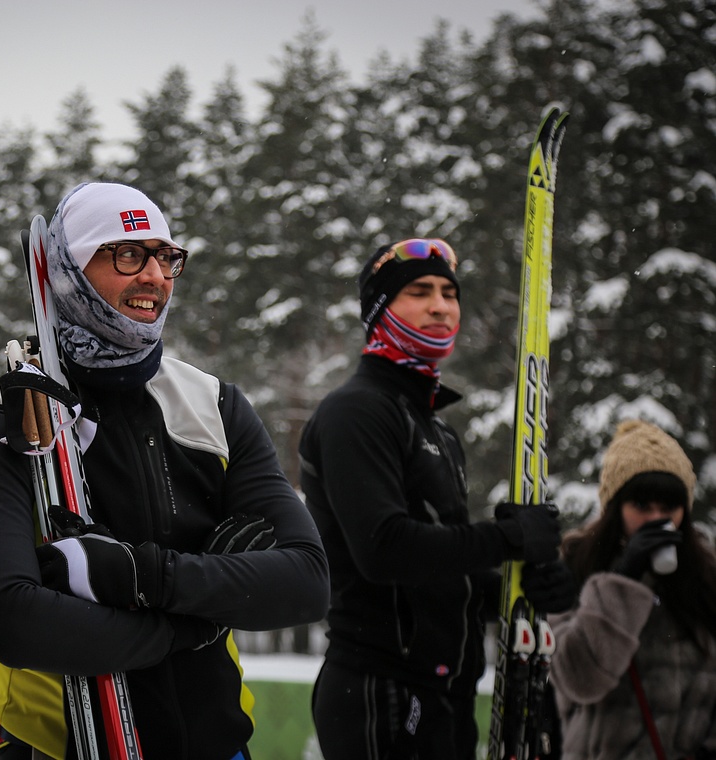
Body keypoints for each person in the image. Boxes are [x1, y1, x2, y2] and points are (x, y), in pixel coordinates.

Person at [0, 181, 329, 760]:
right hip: (58, 744)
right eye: (127, 254)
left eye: (166, 257)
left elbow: (306, 583)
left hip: (216, 743)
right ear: (70, 270)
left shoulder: (214, 407)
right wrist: (198, 618)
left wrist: (143, 577)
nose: (154, 275)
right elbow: (12, 621)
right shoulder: (8, 420)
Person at [298, 238, 572, 760]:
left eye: (450, 293)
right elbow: (384, 551)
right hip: (382, 692)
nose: (440, 306)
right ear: (380, 310)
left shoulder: (438, 432)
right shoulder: (356, 413)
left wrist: (520, 587)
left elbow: (439, 573)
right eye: (419, 292)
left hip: (445, 692)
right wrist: (508, 538)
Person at [549, 419, 716, 760]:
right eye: (642, 506)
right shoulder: (578, 566)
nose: (657, 518)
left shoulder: (705, 574)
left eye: (669, 507)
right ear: (614, 507)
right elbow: (579, 679)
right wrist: (623, 580)